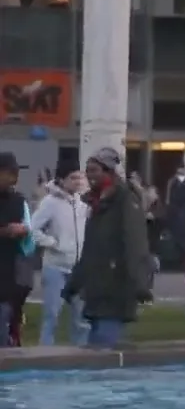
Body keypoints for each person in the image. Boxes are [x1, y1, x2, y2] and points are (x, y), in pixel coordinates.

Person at [64, 148, 154, 348]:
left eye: (95, 170)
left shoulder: (125, 201)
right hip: (97, 291)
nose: (89, 175)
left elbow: (135, 245)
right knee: (96, 353)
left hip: (115, 291)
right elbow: (90, 251)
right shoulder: (97, 204)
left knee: (103, 354)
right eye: (88, 170)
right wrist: (73, 284)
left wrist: (140, 284)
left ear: (110, 171)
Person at [29, 163, 89, 345]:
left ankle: (80, 356)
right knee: (52, 315)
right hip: (55, 267)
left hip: (78, 268)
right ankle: (45, 353)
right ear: (62, 180)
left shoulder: (82, 204)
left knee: (81, 318)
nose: (78, 181)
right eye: (73, 178)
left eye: (80, 177)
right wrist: (54, 243)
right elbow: (33, 229)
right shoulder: (50, 203)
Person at [0, 152, 34, 346]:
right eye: (9, 173)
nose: (13, 178)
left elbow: (29, 237)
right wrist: (6, 231)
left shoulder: (19, 201)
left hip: (9, 276)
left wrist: (23, 231)